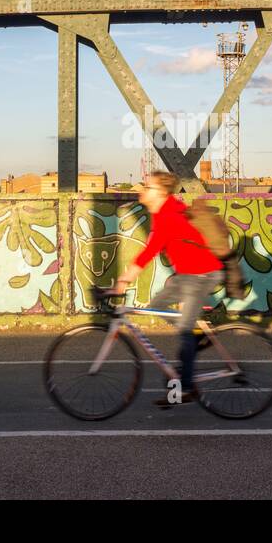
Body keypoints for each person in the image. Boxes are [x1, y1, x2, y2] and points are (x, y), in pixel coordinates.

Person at [112, 170, 224, 406]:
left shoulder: (169, 216)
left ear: (161, 192)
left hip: (201, 274)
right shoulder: (165, 212)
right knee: (157, 306)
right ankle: (196, 331)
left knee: (185, 331)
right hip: (187, 275)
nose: (143, 189)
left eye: (148, 186)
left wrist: (123, 280)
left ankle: (184, 388)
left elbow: (150, 251)